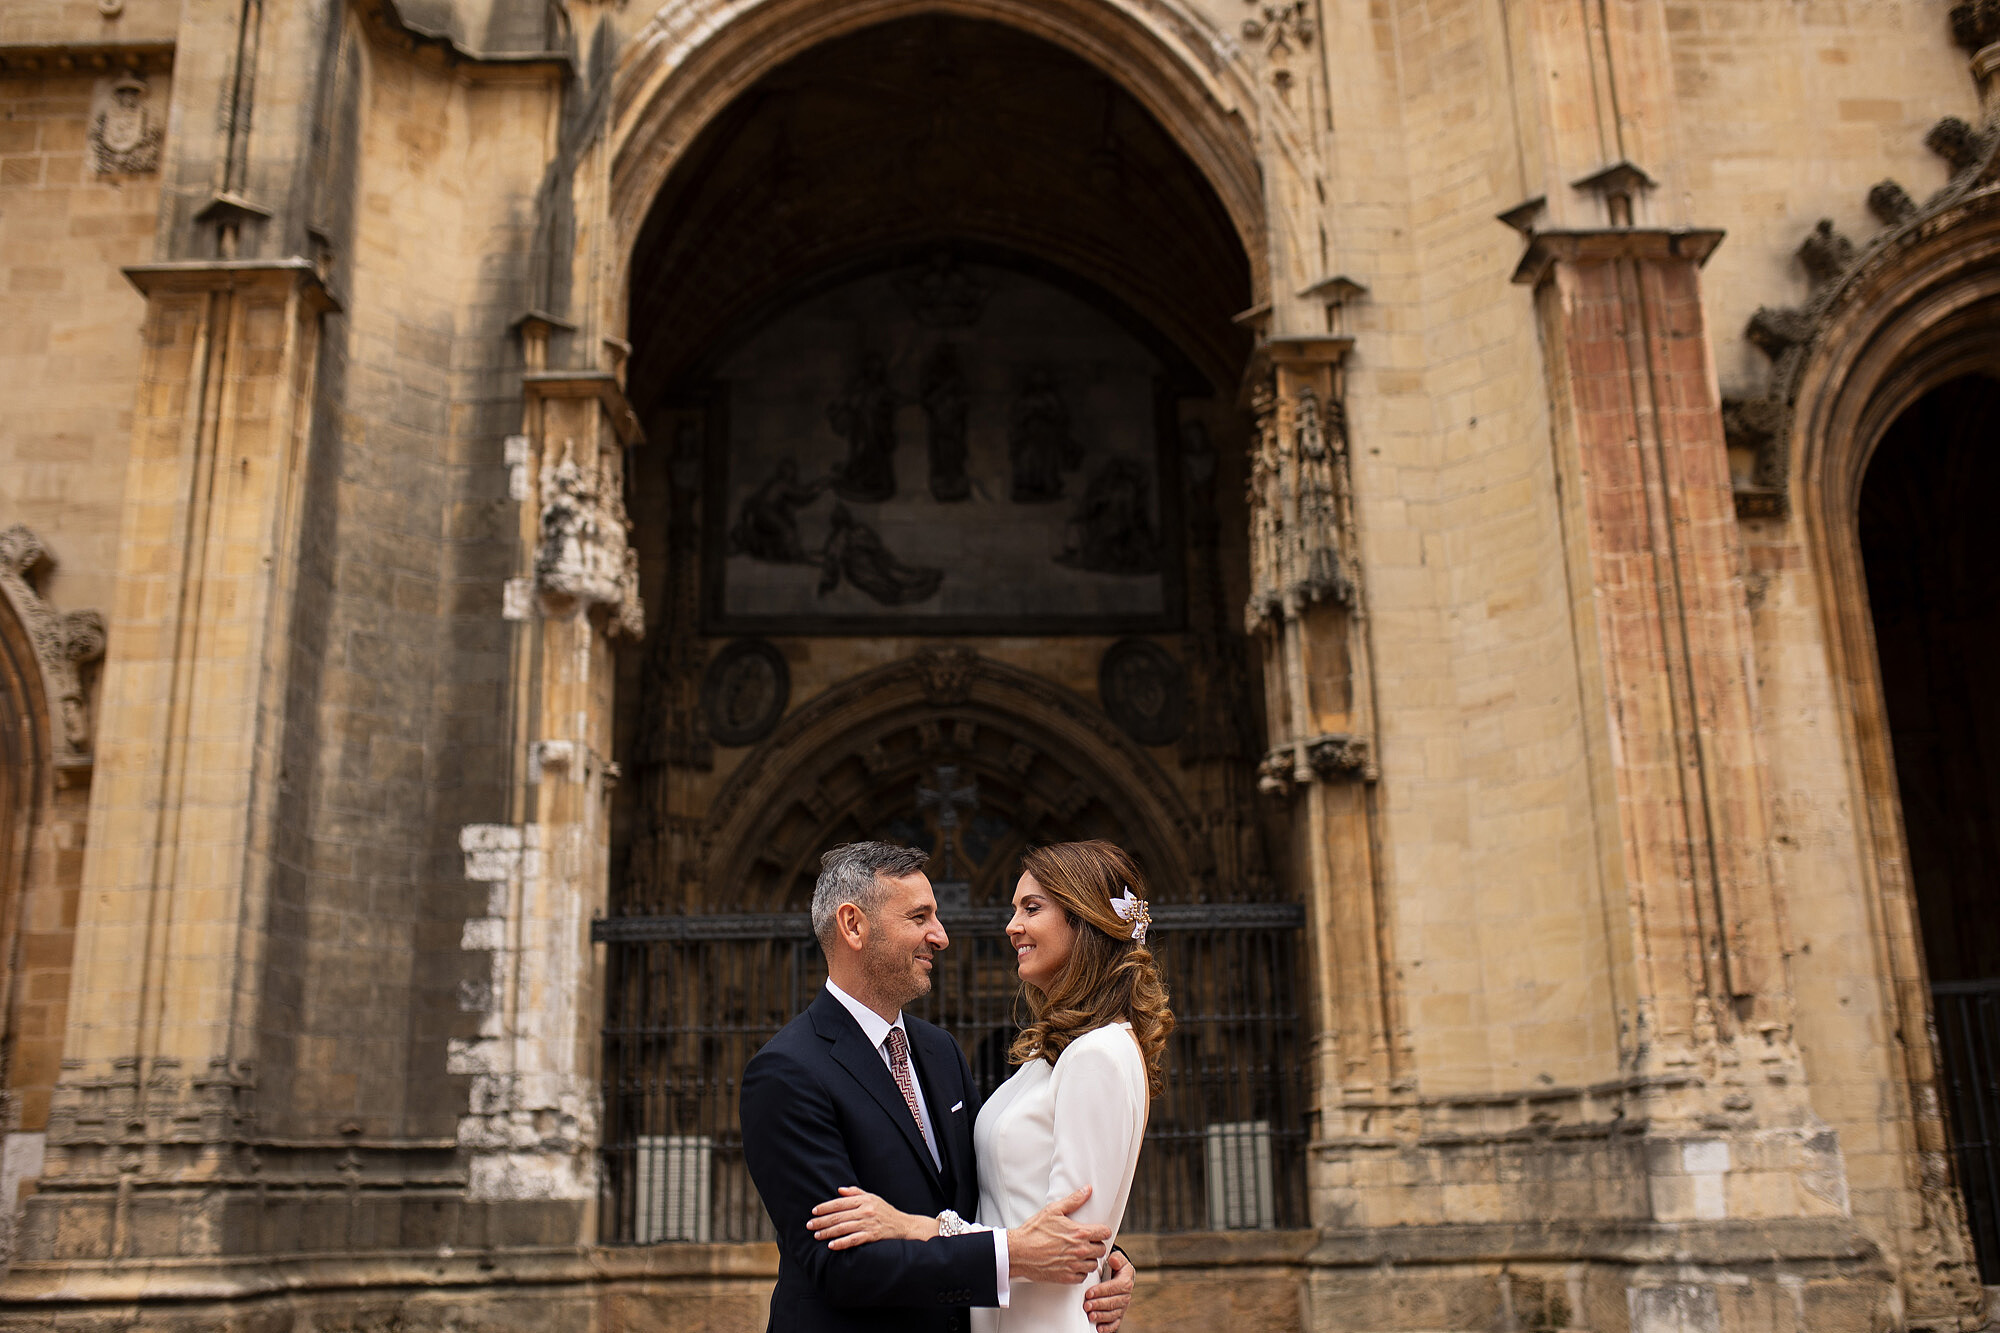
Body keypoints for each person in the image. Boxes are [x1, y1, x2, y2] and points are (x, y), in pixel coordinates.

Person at [740, 842, 1137, 1333]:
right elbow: (841, 1266)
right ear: (854, 926)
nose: (942, 936)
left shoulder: (938, 1051)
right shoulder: (786, 1072)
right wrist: (1020, 1254)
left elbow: (995, 1182)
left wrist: (1096, 1250)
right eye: (920, 917)